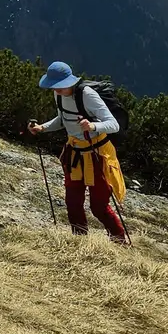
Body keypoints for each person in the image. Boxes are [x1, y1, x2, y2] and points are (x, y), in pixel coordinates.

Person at [27, 60, 131, 244]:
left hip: (98, 155)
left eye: (59, 86)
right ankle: (80, 242)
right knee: (73, 202)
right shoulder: (58, 95)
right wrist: (42, 128)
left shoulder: (88, 95)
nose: (56, 90)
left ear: (69, 81)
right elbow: (63, 119)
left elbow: (113, 125)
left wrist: (93, 126)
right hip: (74, 154)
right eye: (54, 86)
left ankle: (120, 242)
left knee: (98, 206)